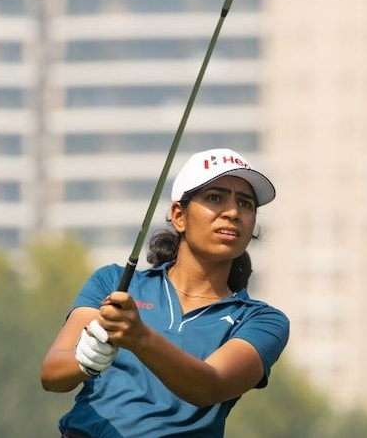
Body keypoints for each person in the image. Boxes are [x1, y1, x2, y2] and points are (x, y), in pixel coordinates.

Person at [41, 148, 290, 438]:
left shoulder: (262, 321)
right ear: (179, 216)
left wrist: (140, 338)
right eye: (215, 198)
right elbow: (52, 375)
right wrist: (87, 359)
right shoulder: (114, 281)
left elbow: (210, 387)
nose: (233, 212)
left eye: (245, 204)